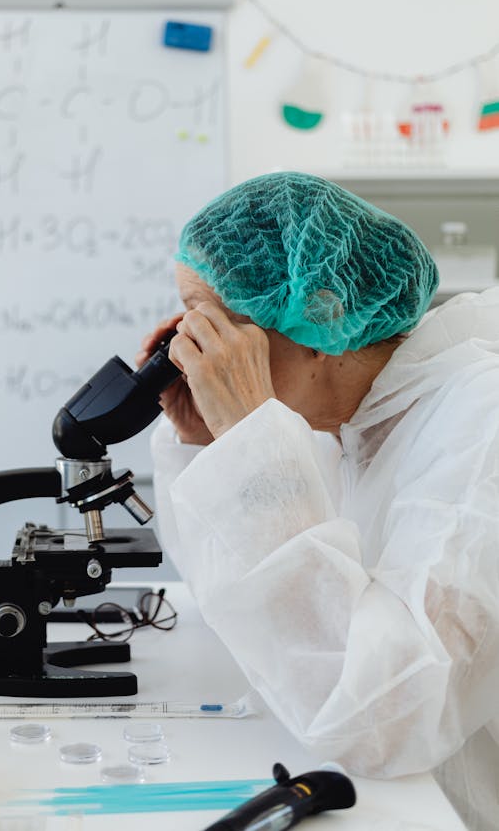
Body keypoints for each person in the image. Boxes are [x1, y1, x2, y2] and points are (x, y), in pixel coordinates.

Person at [137, 171, 499, 831]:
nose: (193, 354)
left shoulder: (481, 423)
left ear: (324, 313)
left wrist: (250, 443)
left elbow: (386, 719)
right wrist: (209, 446)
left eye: (217, 328)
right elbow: (256, 618)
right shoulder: (356, 423)